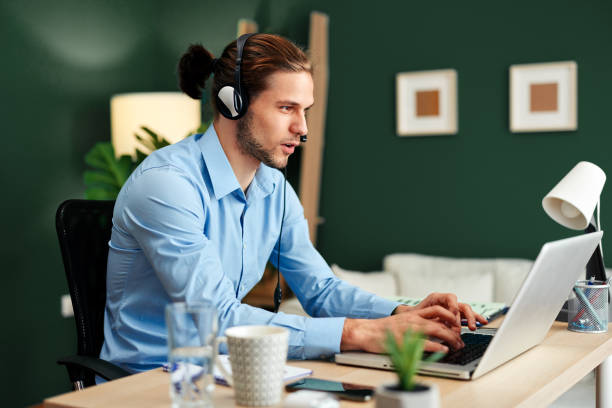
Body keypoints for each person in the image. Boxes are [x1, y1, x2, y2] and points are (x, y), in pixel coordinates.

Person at [100, 33, 487, 372]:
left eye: (305, 111)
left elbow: (319, 289)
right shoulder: (167, 186)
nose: (302, 129)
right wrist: (359, 333)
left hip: (228, 370)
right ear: (232, 103)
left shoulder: (274, 188)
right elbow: (214, 316)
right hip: (150, 382)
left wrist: (400, 314)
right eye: (287, 108)